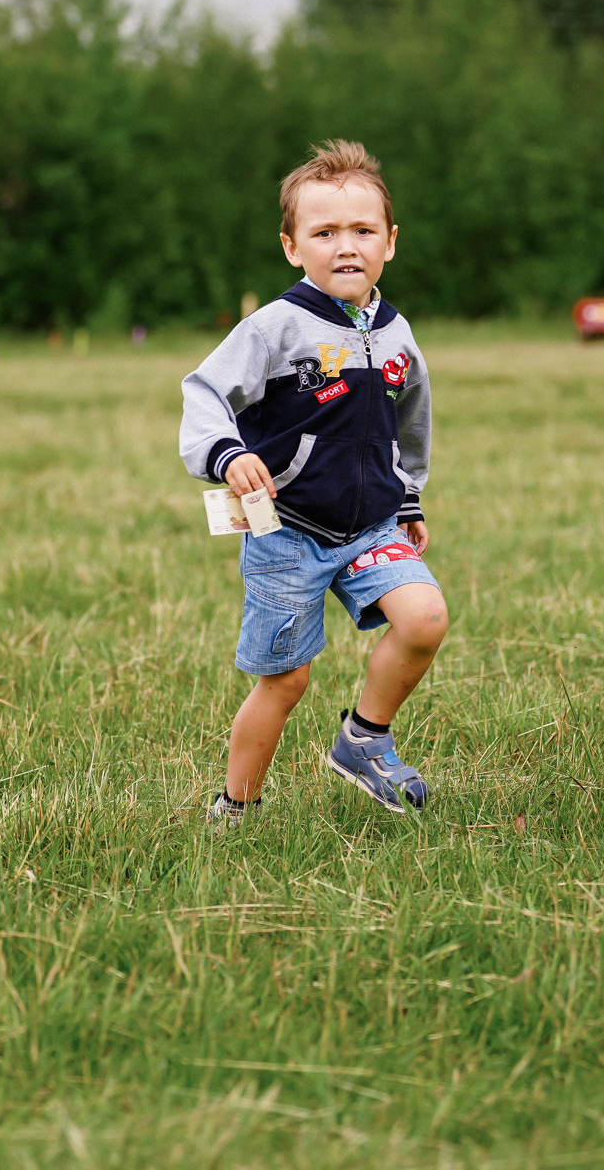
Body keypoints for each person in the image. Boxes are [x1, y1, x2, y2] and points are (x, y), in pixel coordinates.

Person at [179, 140, 448, 823]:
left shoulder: (395, 333)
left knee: (424, 619)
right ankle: (235, 809)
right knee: (285, 682)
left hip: (372, 528)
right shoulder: (275, 326)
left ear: (390, 241)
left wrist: (407, 492)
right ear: (292, 246)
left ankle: (364, 737)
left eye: (362, 231)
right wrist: (225, 455)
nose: (345, 246)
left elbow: (409, 420)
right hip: (286, 532)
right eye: (324, 232)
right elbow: (205, 390)